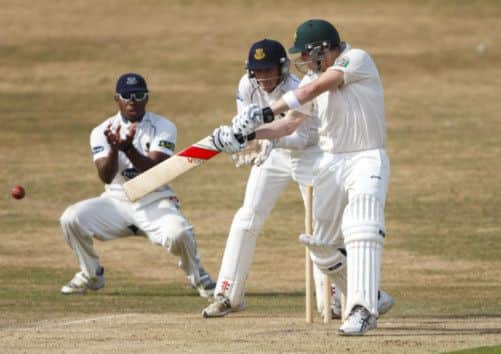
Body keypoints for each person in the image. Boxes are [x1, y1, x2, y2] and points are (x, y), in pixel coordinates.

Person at [213, 19, 392, 335]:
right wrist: (247, 135)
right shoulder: (313, 77)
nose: (305, 64)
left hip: (365, 156)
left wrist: (266, 111)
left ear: (324, 50)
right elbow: (288, 125)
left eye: (307, 56)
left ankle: (363, 309)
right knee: (321, 245)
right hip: (332, 162)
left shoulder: (356, 59)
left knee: (360, 225)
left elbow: (313, 89)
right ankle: (372, 296)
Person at [203, 38, 337, 318]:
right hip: (272, 152)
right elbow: (245, 124)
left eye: (268, 70)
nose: (262, 77)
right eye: (257, 71)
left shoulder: (298, 88)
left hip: (309, 153)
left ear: (283, 67)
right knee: (247, 216)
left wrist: (257, 137)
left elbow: (298, 137)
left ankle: (332, 300)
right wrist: (236, 138)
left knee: (319, 224)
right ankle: (228, 294)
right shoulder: (246, 85)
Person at [59, 72, 216, 298]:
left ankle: (199, 278)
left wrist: (129, 149)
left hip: (154, 200)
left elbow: (155, 172)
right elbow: (105, 176)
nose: (132, 100)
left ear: (146, 98)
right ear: (117, 99)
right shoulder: (102, 131)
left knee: (179, 233)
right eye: (126, 95)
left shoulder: (164, 126)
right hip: (116, 202)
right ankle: (91, 274)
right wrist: (114, 148)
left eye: (138, 95)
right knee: (71, 218)